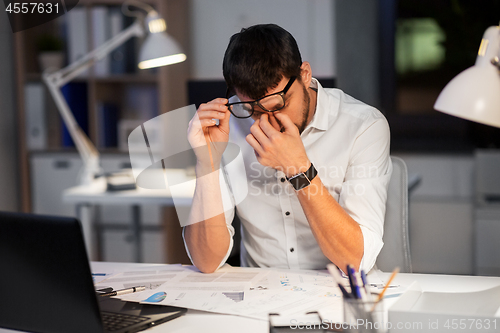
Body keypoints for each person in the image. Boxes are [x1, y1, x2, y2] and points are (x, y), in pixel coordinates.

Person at [184, 24, 392, 274]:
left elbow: (355, 259)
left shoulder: (364, 125)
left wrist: (298, 169)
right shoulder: (228, 126)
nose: (267, 123)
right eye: (254, 111)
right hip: (260, 295)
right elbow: (206, 261)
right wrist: (207, 163)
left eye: (278, 105)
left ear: (304, 74)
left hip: (341, 292)